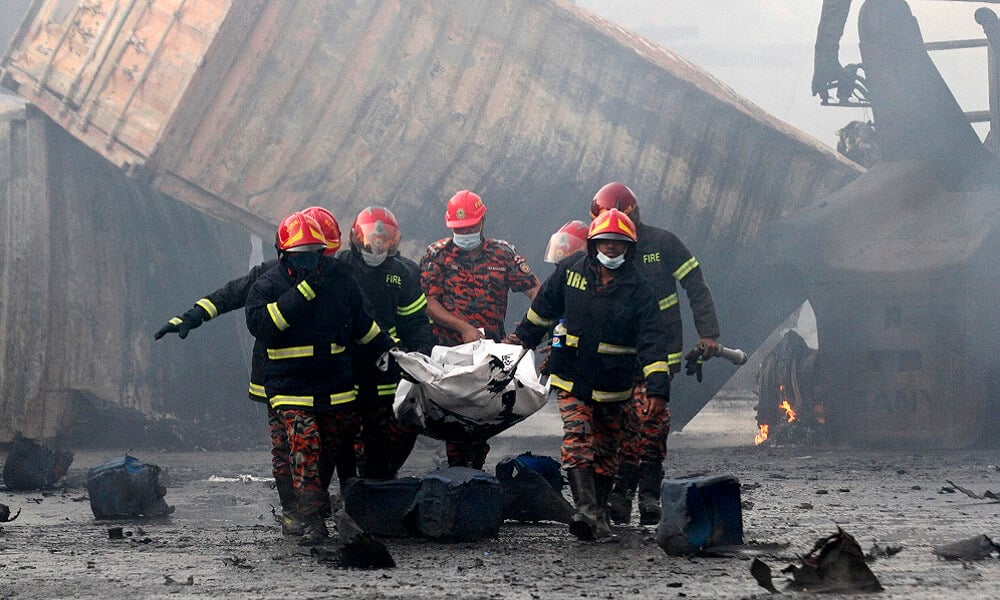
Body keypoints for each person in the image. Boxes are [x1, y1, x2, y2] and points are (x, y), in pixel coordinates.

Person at [154, 206, 343, 536]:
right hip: (279, 378)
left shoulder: (339, 278)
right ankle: (293, 512)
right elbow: (229, 296)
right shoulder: (268, 277)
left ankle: (314, 504)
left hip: (325, 379)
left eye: (323, 255)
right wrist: (192, 316)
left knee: (322, 444)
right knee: (288, 446)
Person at [511, 209, 672, 541]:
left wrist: (657, 389)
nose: (611, 249)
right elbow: (543, 310)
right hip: (573, 378)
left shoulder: (640, 291)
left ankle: (597, 513)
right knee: (578, 436)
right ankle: (586, 510)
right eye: (605, 243)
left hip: (615, 387)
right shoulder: (571, 272)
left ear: (629, 248)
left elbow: (655, 341)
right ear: (592, 243)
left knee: (606, 453)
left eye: (618, 244)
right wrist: (520, 341)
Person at [245, 211, 394, 545]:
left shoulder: (340, 280)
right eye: (299, 257)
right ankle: (308, 518)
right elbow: (266, 326)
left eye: (314, 255)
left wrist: (389, 351)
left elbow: (362, 322)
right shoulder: (267, 285)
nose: (307, 263)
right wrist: (306, 291)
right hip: (289, 388)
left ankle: (321, 508)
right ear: (283, 255)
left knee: (331, 451)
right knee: (304, 444)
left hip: (334, 387)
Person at [589, 182, 721, 526]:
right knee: (624, 426)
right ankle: (620, 496)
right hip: (617, 354)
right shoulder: (599, 250)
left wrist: (708, 334)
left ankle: (646, 495)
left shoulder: (663, 244)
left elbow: (696, 285)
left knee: (652, 423)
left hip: (659, 350)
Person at [419, 189, 540, 469]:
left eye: (470, 227)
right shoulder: (437, 255)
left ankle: (469, 472)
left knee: (482, 416)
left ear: (482, 221)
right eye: (459, 229)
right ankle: (457, 472)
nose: (465, 233)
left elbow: (537, 292)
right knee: (457, 417)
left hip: (490, 354)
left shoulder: (503, 254)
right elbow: (428, 303)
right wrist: (462, 327)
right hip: (451, 354)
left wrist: (528, 329)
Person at [338, 206, 434, 478]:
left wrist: (419, 357)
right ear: (356, 238)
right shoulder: (340, 267)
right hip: (346, 364)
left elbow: (416, 322)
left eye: (384, 240)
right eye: (371, 239)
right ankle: (350, 486)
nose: (376, 246)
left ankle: (380, 483)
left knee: (389, 428)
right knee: (343, 428)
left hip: (387, 368)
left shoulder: (403, 274)